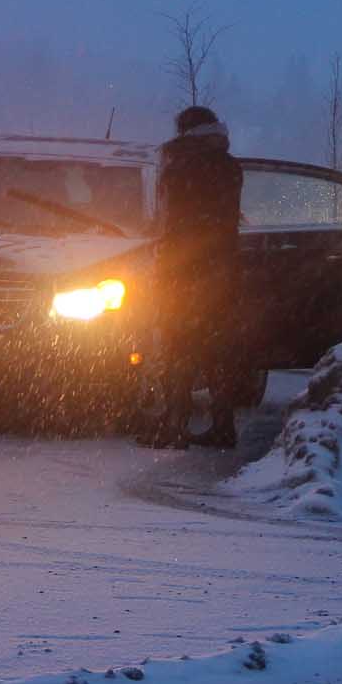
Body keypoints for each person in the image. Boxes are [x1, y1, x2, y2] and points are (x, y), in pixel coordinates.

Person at [140, 105, 246, 449]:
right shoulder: (229, 166)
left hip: (184, 271)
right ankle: (223, 424)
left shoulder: (181, 164)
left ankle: (174, 425)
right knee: (218, 351)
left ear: (187, 130)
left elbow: (171, 219)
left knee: (178, 348)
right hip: (222, 272)